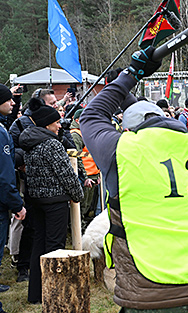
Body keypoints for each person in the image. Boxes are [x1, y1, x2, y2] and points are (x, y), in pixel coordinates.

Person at [80, 46, 188, 312]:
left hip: (153, 292)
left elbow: (92, 115)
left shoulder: (123, 149)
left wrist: (131, 74)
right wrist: (126, 88)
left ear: (127, 129)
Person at [18, 101, 83, 304]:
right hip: (55, 202)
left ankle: (36, 294)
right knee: (55, 247)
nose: (59, 126)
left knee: (39, 244)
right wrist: (78, 194)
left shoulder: (31, 143)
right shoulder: (52, 145)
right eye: (56, 123)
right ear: (47, 125)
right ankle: (53, 294)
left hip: (36, 200)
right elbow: (66, 175)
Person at [0, 84, 27, 297]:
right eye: (8, 100)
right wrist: (16, 203)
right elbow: (4, 174)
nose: (12, 103)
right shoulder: (1, 135)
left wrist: (16, 99)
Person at [70, 109, 101, 224]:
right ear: (78, 120)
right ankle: (79, 231)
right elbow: (77, 158)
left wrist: (97, 173)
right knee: (82, 206)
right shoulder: (76, 134)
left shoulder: (84, 133)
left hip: (92, 174)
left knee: (88, 206)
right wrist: (85, 176)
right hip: (86, 175)